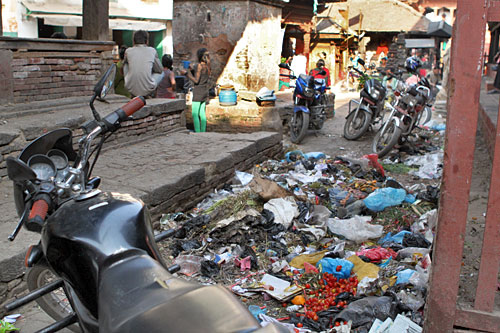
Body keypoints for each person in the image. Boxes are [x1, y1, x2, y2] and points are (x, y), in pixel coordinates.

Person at [123, 30, 164, 97]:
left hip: (130, 88)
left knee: (126, 64)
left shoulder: (128, 51)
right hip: (147, 88)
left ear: (133, 41)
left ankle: (131, 85)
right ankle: (150, 89)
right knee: (162, 73)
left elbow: (124, 66)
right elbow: (159, 70)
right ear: (147, 41)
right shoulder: (152, 51)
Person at [183, 48, 211, 132]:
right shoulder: (207, 66)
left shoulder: (199, 65)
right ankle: (203, 132)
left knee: (194, 114)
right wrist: (192, 69)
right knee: (202, 113)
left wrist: (187, 73)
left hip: (198, 91)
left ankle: (198, 132)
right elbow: (202, 76)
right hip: (205, 90)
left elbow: (196, 80)